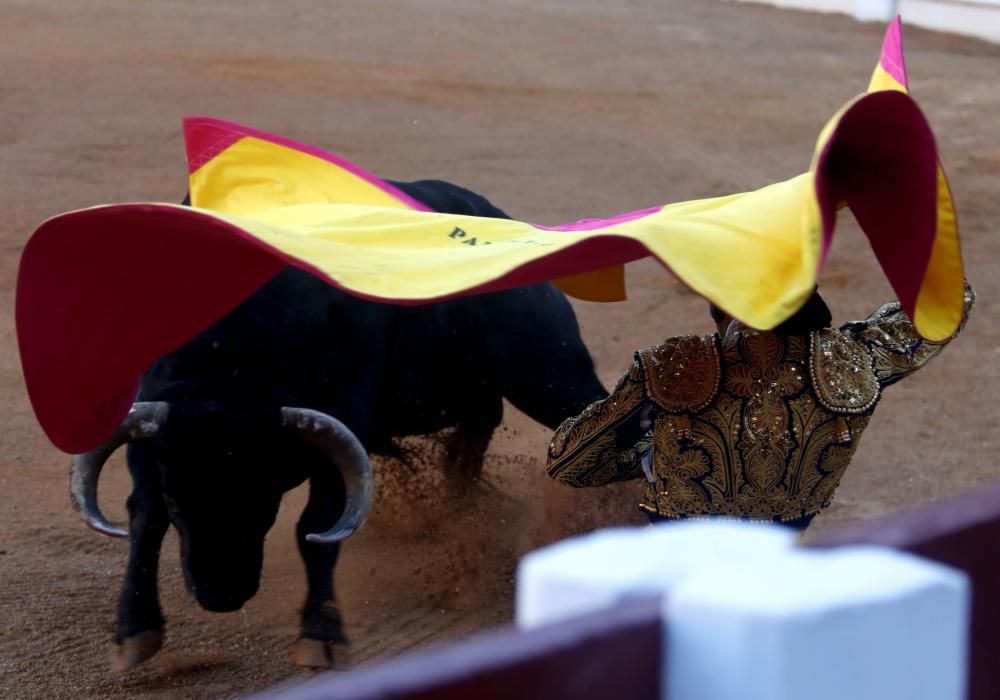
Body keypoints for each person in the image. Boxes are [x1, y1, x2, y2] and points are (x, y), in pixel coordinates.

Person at [545, 282, 976, 530]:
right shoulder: (853, 361)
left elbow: (570, 463)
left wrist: (648, 450)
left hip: (681, 576)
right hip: (777, 565)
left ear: (724, 311)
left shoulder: (673, 368)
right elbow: (950, 302)